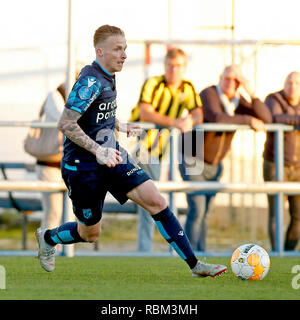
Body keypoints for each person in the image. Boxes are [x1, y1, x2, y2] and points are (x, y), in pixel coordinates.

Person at [35, 24, 227, 278]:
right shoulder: (90, 80)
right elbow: (66, 123)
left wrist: (118, 124)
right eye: (117, 49)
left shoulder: (108, 74)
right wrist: (97, 151)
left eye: (125, 49)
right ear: (99, 51)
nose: (124, 55)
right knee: (89, 233)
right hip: (83, 167)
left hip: (113, 156)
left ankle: (195, 265)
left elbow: (93, 113)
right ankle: (48, 238)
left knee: (157, 201)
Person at [179, 65, 272, 251]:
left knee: (205, 213)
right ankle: (190, 255)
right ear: (220, 78)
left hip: (215, 164)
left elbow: (267, 118)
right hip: (192, 158)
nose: (230, 83)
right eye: (227, 78)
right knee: (196, 210)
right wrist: (248, 121)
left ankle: (201, 253)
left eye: (236, 80)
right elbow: (217, 117)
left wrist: (251, 92)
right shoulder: (209, 93)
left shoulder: (238, 102)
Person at [129, 47, 203, 252]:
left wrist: (190, 119)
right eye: (170, 65)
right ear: (164, 66)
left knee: (153, 201)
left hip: (158, 154)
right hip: (139, 148)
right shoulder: (153, 83)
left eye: (178, 66)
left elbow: (198, 113)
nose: (173, 70)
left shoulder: (187, 88)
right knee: (150, 201)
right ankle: (144, 253)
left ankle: (151, 251)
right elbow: (145, 113)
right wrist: (176, 122)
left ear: (184, 67)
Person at [263, 71, 300, 251]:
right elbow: (273, 117)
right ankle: (277, 253)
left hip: (298, 168)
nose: (293, 87)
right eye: (289, 83)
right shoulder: (273, 99)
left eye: (297, 83)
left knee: (298, 216)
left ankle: (288, 252)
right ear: (284, 84)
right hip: (275, 165)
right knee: (276, 212)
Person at [35, 83, 66, 229]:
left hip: (68, 166)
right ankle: (47, 250)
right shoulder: (55, 96)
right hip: (50, 165)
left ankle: (64, 251)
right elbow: (65, 120)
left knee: (67, 215)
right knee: (54, 213)